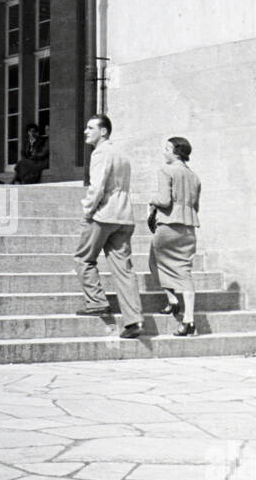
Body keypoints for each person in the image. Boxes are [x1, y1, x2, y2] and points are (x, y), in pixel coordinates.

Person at [73, 114, 143, 338]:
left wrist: (87, 210)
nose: (86, 131)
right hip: (124, 216)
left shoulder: (101, 152)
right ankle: (133, 321)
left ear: (103, 132)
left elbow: (98, 186)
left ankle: (96, 302)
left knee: (84, 258)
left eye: (90, 127)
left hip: (103, 215)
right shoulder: (121, 153)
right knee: (124, 270)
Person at [148, 136, 202, 337]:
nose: (164, 152)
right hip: (189, 228)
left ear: (176, 152)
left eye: (167, 149)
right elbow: (196, 205)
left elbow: (164, 200)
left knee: (154, 262)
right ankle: (189, 319)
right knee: (184, 271)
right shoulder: (194, 177)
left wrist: (151, 200)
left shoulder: (166, 171)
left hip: (168, 226)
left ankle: (172, 299)